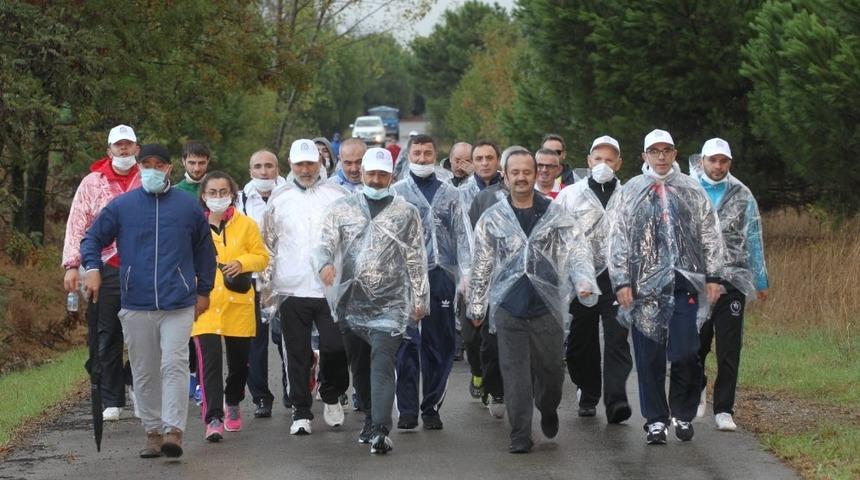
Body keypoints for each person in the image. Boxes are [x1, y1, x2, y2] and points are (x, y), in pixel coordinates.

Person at [81, 144, 216, 458]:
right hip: (136, 301)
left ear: (169, 168)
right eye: (147, 164)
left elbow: (205, 252)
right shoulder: (123, 206)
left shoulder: (187, 206)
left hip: (178, 301)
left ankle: (174, 431)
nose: (153, 169)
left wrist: (203, 291)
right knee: (144, 369)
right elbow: (92, 239)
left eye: (159, 164)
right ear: (140, 167)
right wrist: (92, 269)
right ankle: (152, 431)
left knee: (175, 364)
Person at [469, 150, 598, 454]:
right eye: (515, 172)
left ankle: (548, 406)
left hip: (546, 306)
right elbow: (482, 264)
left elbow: (576, 250)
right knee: (514, 374)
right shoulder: (494, 218)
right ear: (505, 175)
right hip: (508, 308)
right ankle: (520, 433)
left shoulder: (554, 213)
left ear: (535, 172)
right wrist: (476, 305)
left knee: (551, 371)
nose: (522, 177)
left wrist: (583, 281)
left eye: (527, 171)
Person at [608, 129, 723, 445]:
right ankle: (656, 420)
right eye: (654, 151)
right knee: (649, 357)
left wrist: (713, 276)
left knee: (686, 351)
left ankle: (682, 414)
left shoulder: (690, 189)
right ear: (644, 156)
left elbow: (710, 233)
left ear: (675, 153)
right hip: (644, 289)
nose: (661, 156)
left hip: (683, 284)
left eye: (667, 150)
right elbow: (617, 238)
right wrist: (621, 281)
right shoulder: (631, 191)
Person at [312, 147, 429, 454]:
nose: (376, 180)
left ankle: (380, 429)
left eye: (383, 174)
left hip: (390, 304)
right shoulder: (342, 208)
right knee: (360, 367)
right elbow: (324, 243)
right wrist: (324, 264)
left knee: (382, 361)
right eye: (371, 174)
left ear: (392, 176)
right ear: (361, 173)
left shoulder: (406, 212)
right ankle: (368, 419)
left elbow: (416, 257)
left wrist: (419, 298)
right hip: (351, 303)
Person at [260, 139, 350, 436]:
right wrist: (266, 286)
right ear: (291, 166)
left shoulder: (337, 195)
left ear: (320, 163)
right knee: (295, 353)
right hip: (291, 288)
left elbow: (349, 238)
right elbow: (268, 243)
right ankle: (301, 411)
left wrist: (346, 276)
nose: (305, 169)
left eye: (310, 163)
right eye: (299, 164)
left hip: (329, 288)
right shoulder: (279, 197)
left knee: (336, 348)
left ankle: (332, 393)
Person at [62, 124, 140, 422]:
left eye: (128, 145)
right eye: (118, 146)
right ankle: (112, 397)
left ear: (137, 149)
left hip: (141, 265)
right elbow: (76, 224)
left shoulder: (147, 178)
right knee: (105, 333)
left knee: (144, 331)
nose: (123, 150)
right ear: (109, 150)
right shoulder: (92, 183)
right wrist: (72, 265)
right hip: (102, 266)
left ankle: (133, 379)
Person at [393, 134, 470, 431]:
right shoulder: (397, 192)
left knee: (440, 342)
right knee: (407, 342)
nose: (422, 159)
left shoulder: (451, 193)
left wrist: (466, 273)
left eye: (427, 154)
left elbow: (462, 235)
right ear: (409, 156)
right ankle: (408, 409)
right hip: (407, 276)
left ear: (436, 156)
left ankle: (432, 407)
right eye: (417, 154)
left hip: (441, 275)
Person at [555, 135, 632, 422]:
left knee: (617, 339)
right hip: (580, 281)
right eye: (598, 159)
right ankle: (588, 391)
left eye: (610, 159)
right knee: (580, 343)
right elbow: (557, 235)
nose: (603, 164)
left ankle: (616, 401)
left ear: (619, 163)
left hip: (617, 279)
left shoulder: (629, 195)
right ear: (588, 161)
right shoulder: (570, 195)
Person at [694, 138, 769, 431]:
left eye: (723, 161)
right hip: (697, 280)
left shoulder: (742, 194)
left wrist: (760, 279)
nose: (718, 166)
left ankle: (724, 408)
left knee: (729, 348)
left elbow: (753, 237)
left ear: (729, 163)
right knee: (696, 344)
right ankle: (697, 388)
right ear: (702, 161)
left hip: (733, 280)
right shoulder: (690, 190)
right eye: (712, 160)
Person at [191, 171, 268, 442]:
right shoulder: (193, 227)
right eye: (212, 192)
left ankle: (233, 400)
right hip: (205, 304)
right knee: (210, 361)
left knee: (239, 364)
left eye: (223, 192)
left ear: (232, 194)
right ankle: (213, 417)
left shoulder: (246, 225)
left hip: (239, 303)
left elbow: (262, 257)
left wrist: (243, 262)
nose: (218, 197)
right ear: (203, 196)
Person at [462, 144, 528, 415]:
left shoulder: (537, 201)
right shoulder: (484, 198)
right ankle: (492, 384)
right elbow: (472, 242)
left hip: (520, 281)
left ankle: (507, 392)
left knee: (512, 340)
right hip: (487, 278)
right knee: (480, 339)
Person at [237, 149, 288, 418]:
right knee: (254, 341)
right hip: (253, 281)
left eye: (269, 166)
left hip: (287, 279)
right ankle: (260, 397)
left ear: (278, 169)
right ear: (250, 171)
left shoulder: (291, 196)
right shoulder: (240, 200)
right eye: (258, 166)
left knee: (287, 339)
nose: (264, 171)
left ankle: (293, 390)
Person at [174, 140, 212, 402]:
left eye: (201, 163)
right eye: (192, 163)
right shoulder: (176, 191)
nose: (197, 167)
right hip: (183, 262)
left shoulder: (217, 188)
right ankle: (189, 374)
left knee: (207, 325)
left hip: (212, 260)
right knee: (185, 323)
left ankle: (203, 378)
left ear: (208, 162)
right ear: (183, 162)